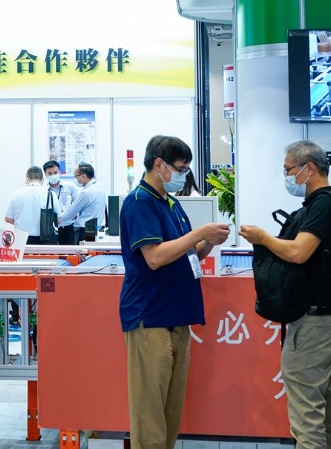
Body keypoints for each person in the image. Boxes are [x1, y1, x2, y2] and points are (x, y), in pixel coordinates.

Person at [119, 135, 230, 449]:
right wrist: (198, 233)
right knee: (150, 417)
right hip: (151, 318)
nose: (183, 175)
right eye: (180, 169)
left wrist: (208, 242)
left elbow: (187, 254)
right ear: (159, 165)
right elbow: (154, 257)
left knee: (169, 415)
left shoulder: (171, 203)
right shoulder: (139, 203)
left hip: (177, 318)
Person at [239, 140, 331, 449]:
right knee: (326, 414)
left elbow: (299, 252)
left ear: (309, 168)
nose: (287, 176)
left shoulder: (323, 204)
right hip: (328, 319)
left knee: (307, 419)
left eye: (288, 170)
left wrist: (263, 238)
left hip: (313, 325)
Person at [59, 163, 107, 244]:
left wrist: (57, 218)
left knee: (83, 251)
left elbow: (70, 213)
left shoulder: (86, 193)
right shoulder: (100, 187)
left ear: (83, 176)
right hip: (97, 228)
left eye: (76, 176)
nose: (76, 179)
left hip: (84, 231)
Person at [5, 165, 50, 244]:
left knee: (22, 253)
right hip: (44, 239)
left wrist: (21, 222)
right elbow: (58, 219)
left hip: (21, 238)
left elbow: (8, 218)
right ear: (42, 180)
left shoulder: (16, 194)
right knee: (43, 253)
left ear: (27, 178)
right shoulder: (50, 195)